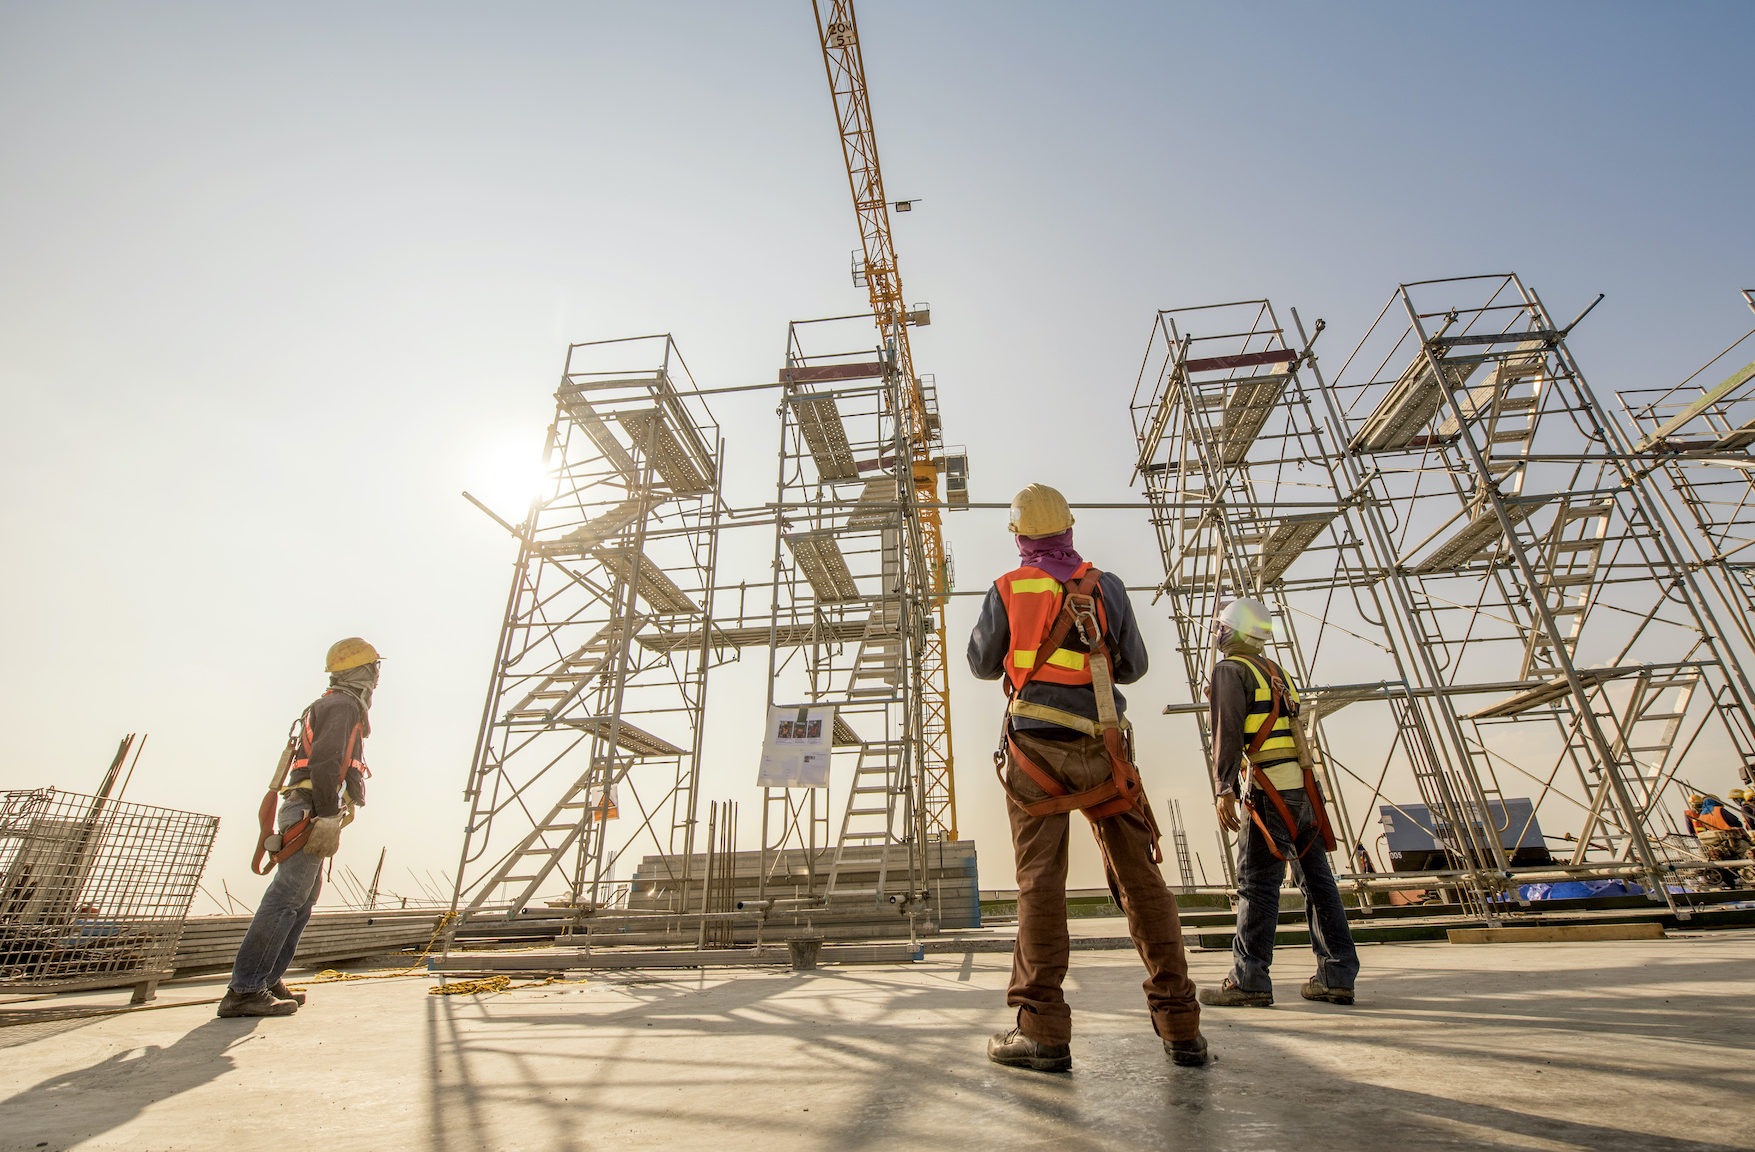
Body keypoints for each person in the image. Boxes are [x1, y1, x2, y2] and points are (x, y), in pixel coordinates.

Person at [968, 484, 1207, 1072]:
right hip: (1105, 748)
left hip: (1035, 755)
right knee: (1140, 879)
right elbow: (1137, 666)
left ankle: (1042, 1030)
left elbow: (979, 663)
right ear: (1070, 530)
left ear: (1020, 537)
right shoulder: (1107, 586)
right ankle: (1181, 1027)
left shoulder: (1008, 588)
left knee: (1040, 883)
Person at [1200, 598, 1359, 1008]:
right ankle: (1337, 973)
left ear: (1233, 632)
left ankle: (1249, 978)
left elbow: (1228, 733)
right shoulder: (1276, 671)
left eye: (1222, 627)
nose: (1218, 634)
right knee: (1318, 882)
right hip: (1303, 789)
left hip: (1270, 790)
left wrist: (1224, 786)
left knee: (1257, 884)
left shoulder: (1230, 670)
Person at [217, 637, 380, 1018]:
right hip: (310, 809)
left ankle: (266, 978)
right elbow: (326, 762)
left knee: (301, 903)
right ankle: (244, 989)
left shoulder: (334, 703)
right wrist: (325, 814)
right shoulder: (342, 705)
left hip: (311, 808)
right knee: (286, 899)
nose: (376, 677)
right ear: (363, 672)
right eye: (374, 669)